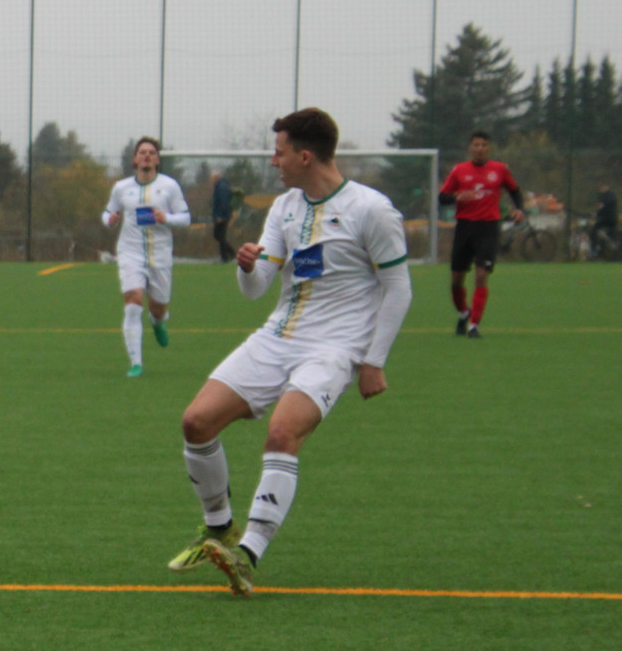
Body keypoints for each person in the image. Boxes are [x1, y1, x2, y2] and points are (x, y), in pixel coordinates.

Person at [166, 108, 411, 596]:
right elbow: (256, 289)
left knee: (282, 433)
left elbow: (398, 287)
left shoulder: (371, 209)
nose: (273, 161)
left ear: (304, 155)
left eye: (278, 152)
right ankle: (218, 529)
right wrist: (246, 265)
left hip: (334, 350)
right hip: (277, 337)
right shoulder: (285, 207)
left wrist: (373, 361)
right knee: (196, 422)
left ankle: (248, 553)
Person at [102, 136, 191, 377]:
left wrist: (167, 218)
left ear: (157, 159)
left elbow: (186, 218)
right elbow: (108, 213)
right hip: (130, 253)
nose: (147, 156)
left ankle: (158, 320)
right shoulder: (121, 188)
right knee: (132, 302)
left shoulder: (170, 186)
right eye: (142, 152)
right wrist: (110, 220)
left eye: (151, 152)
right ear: (135, 159)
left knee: (158, 307)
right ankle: (136, 363)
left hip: (160, 255)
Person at [438, 131, 525, 339]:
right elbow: (442, 197)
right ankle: (463, 313)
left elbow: (514, 190)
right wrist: (458, 197)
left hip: (488, 229)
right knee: (456, 280)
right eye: (475, 145)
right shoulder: (459, 170)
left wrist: (519, 209)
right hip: (464, 228)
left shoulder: (500, 169)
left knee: (481, 274)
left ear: (490, 148)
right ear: (470, 148)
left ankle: (474, 325)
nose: (479, 148)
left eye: (483, 145)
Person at [211, 172, 236, 263]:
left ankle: (228, 255)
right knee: (219, 236)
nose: (211, 179)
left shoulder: (221, 186)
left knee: (219, 235)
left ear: (216, 177)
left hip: (222, 215)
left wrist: (221, 215)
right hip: (222, 214)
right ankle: (228, 255)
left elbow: (224, 201)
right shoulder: (221, 185)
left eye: (212, 177)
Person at [591, 183, 617, 259]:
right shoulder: (603, 197)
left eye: (602, 187)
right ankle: (598, 247)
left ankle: (595, 248)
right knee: (595, 231)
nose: (601, 189)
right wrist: (596, 214)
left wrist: (599, 212)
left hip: (608, 219)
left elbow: (605, 206)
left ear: (606, 187)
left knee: (594, 230)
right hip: (607, 218)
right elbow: (601, 208)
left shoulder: (610, 196)